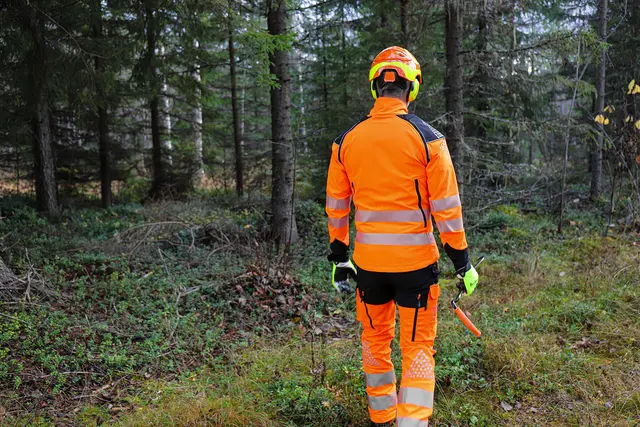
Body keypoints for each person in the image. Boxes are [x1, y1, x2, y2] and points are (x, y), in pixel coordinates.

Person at [325, 46, 479, 427]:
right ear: (411, 89)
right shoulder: (428, 140)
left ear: (376, 88)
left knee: (375, 343)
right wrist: (462, 263)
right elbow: (448, 210)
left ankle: (382, 419)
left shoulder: (346, 142)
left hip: (369, 270)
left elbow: (336, 207)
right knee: (417, 351)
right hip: (415, 269)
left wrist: (340, 258)